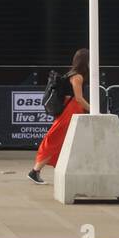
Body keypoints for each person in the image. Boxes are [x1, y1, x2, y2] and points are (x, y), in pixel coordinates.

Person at [29, 47, 91, 184]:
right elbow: (79, 98)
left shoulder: (71, 74)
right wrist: (93, 109)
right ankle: (35, 171)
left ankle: (39, 170)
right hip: (72, 110)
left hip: (69, 110)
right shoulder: (78, 76)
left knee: (60, 141)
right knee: (57, 140)